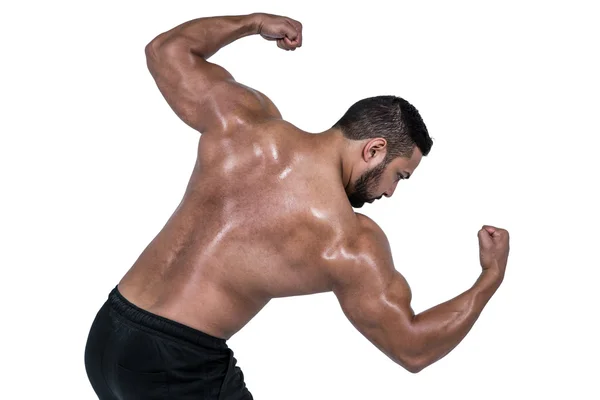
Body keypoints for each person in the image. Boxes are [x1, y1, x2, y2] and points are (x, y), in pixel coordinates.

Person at [84, 12, 510, 400]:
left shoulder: (243, 123)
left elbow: (166, 50)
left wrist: (252, 23)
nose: (390, 194)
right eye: (399, 175)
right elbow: (413, 348)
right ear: (374, 149)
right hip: (178, 368)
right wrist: (490, 277)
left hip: (107, 333)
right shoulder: (347, 241)